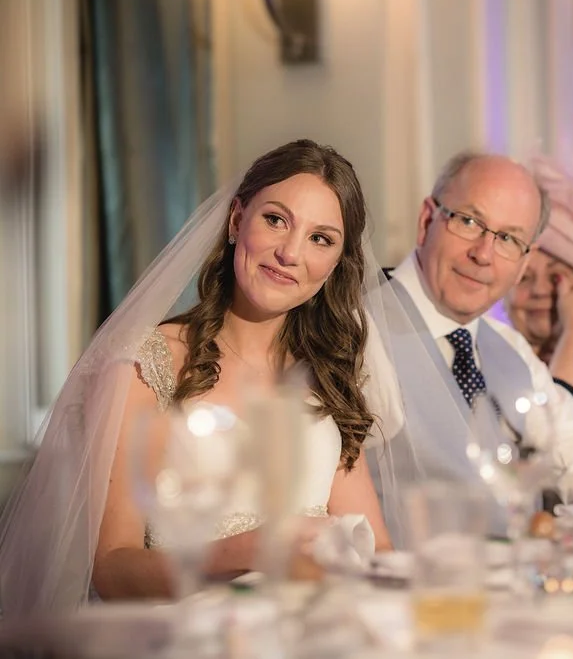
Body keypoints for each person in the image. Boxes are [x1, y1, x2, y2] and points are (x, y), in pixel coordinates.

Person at [0, 139, 404, 614]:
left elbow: (376, 550)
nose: (290, 253)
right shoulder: (146, 365)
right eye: (276, 220)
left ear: (336, 263)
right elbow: (111, 570)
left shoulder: (329, 376)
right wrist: (247, 552)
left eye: (321, 238)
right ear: (237, 221)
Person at [366, 150, 573, 531]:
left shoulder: (509, 348)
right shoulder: (359, 332)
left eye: (509, 239)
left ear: (523, 262)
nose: (484, 254)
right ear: (427, 220)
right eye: (468, 221)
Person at [503, 154, 573, 413]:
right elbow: (554, 442)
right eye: (524, 278)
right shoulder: (485, 372)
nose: (540, 291)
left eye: (556, 278)